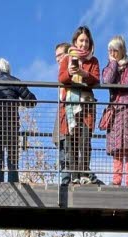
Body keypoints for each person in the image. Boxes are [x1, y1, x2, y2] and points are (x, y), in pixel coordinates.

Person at [57, 26, 101, 185]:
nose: (83, 44)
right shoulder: (67, 58)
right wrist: (70, 72)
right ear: (75, 41)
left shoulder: (93, 60)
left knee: (85, 141)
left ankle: (84, 173)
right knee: (71, 141)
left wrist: (84, 74)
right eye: (81, 40)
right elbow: (61, 78)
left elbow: (96, 79)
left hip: (86, 106)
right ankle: (74, 174)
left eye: (86, 41)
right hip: (70, 106)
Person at [0, 58, 37, 183]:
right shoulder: (15, 81)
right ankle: (13, 181)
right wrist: (20, 102)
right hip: (11, 121)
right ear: (8, 69)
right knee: (12, 153)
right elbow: (32, 101)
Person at [101, 35, 128, 186]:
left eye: (115, 49)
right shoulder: (108, 67)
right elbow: (106, 81)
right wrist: (113, 63)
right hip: (116, 111)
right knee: (117, 146)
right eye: (110, 49)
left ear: (122, 50)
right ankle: (116, 179)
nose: (112, 52)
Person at [51, 41, 70, 169]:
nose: (58, 59)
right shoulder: (61, 72)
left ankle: (67, 177)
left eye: (60, 55)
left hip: (69, 114)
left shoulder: (70, 68)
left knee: (68, 149)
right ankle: (64, 177)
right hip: (62, 115)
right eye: (56, 57)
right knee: (62, 151)